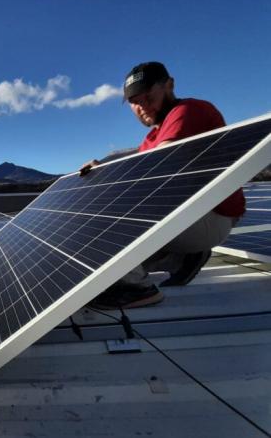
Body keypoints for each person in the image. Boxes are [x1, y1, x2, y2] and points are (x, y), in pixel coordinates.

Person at [83, 62, 245, 310]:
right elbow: (138, 159)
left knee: (114, 200)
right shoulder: (151, 138)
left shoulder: (188, 110)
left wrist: (110, 172)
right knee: (99, 265)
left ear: (169, 85)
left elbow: (159, 163)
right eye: (135, 102)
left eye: (148, 96)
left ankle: (137, 289)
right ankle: (182, 258)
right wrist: (103, 167)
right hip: (184, 220)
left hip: (211, 218)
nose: (142, 107)